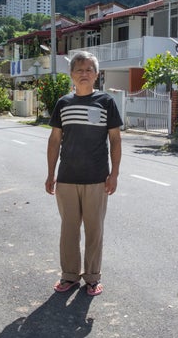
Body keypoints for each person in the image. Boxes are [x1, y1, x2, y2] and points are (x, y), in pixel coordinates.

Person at [45, 51, 123, 297]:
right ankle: (69, 275)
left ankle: (92, 278)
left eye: (89, 69)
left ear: (97, 75)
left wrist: (114, 174)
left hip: (97, 178)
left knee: (94, 230)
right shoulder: (63, 103)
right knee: (68, 230)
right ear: (72, 75)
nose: (84, 74)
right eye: (79, 70)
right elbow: (55, 140)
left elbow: (115, 140)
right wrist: (50, 173)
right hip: (67, 178)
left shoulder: (106, 102)